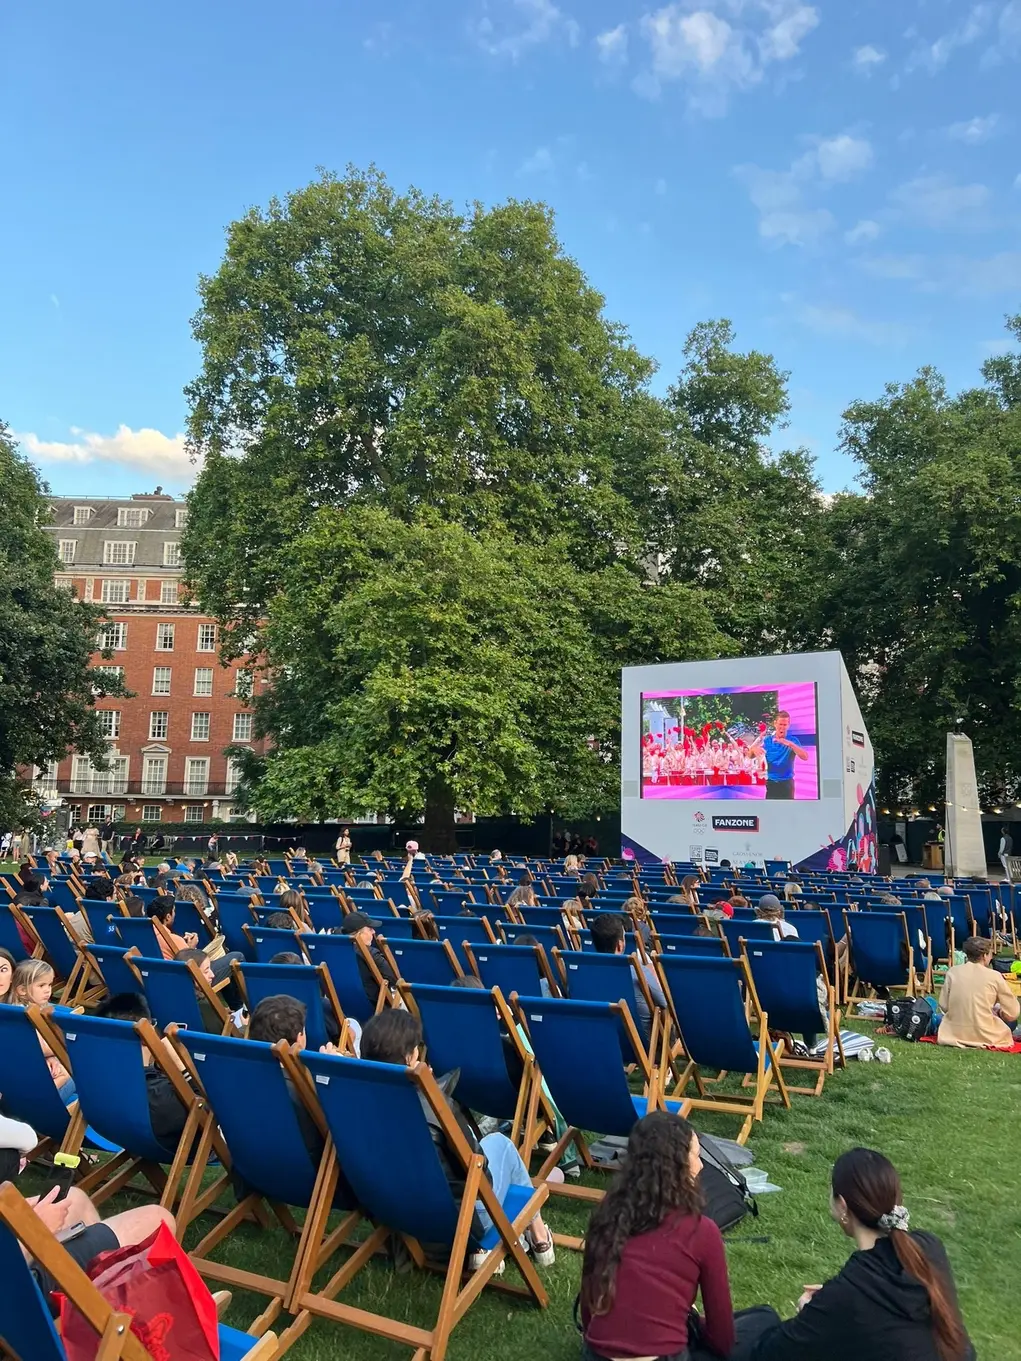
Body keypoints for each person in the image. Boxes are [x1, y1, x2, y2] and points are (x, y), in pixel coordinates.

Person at [359, 1009, 556, 1269]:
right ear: (409, 1057)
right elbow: (479, 1174)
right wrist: (427, 1090)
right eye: (418, 1048)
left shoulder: (355, 1103)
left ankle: (518, 1238)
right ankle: (538, 1236)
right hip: (459, 1221)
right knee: (501, 1144)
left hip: (395, 1210)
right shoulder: (431, 1105)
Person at [581, 1111, 778, 1361]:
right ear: (677, 1165)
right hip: (664, 1357)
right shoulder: (701, 1231)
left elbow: (589, 1313)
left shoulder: (606, 1213)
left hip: (597, 1355)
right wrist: (692, 1326)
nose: (702, 1165)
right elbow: (722, 1339)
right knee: (764, 1319)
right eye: (696, 1156)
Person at [751, 1147, 974, 1361]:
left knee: (757, 1324)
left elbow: (770, 1353)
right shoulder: (928, 1247)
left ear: (842, 1206)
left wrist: (809, 1314)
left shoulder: (847, 1293)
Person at [23, 1183, 175, 1309]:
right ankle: (93, 1317)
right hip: (20, 1292)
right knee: (159, 1221)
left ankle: (96, 1290)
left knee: (75, 1198)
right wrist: (35, 1229)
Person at [589, 914, 667, 1045]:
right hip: (639, 1042)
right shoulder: (637, 971)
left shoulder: (585, 971)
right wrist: (652, 975)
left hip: (601, 1037)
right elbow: (664, 1003)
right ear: (620, 945)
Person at [937, 935, 1020, 1048]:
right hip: (986, 1034)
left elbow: (944, 1005)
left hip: (954, 1031)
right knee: (1011, 1022)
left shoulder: (953, 972)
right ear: (985, 955)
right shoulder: (994, 976)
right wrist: (999, 1012)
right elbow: (1012, 1013)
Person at [337, 911, 398, 1007]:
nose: (374, 932)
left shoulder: (335, 950)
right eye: (370, 929)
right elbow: (395, 979)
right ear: (358, 933)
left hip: (344, 1005)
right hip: (374, 1006)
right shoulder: (372, 954)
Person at [748, 711, 809, 800]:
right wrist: (753, 749)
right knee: (771, 811)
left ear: (788, 725)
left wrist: (790, 744)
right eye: (780, 724)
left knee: (787, 812)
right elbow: (750, 756)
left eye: (785, 725)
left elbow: (805, 757)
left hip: (787, 784)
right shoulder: (767, 741)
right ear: (775, 724)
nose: (782, 727)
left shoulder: (793, 740)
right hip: (771, 783)